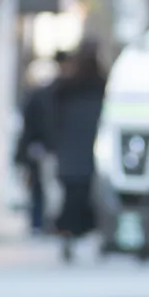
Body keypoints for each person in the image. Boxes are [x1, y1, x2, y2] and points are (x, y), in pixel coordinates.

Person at [50, 40, 106, 260]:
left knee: (72, 195)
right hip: (88, 147)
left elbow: (52, 117)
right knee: (86, 195)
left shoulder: (65, 87)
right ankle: (86, 235)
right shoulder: (100, 84)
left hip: (71, 149)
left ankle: (69, 234)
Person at [14, 51, 67, 235]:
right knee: (44, 187)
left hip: (43, 148)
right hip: (45, 149)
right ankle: (42, 222)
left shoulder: (47, 96)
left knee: (44, 188)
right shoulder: (50, 96)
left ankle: (42, 222)